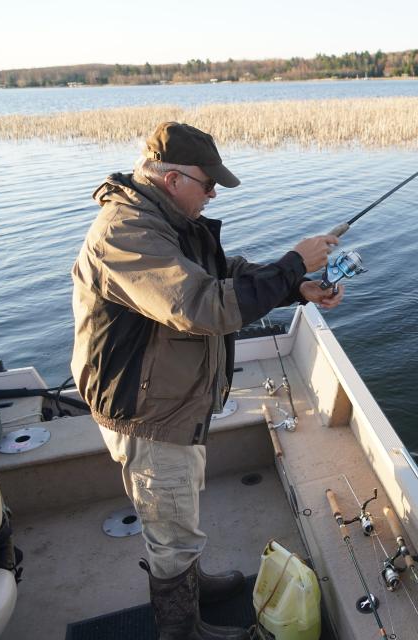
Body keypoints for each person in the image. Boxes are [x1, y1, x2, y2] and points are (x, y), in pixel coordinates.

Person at [70, 121, 344, 640]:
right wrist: (290, 265)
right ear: (172, 179)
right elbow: (201, 304)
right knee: (169, 528)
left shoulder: (167, 218)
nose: (215, 192)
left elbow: (220, 274)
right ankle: (182, 630)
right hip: (146, 413)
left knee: (179, 512)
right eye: (208, 182)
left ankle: (191, 579)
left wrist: (297, 285)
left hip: (174, 401)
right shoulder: (125, 232)